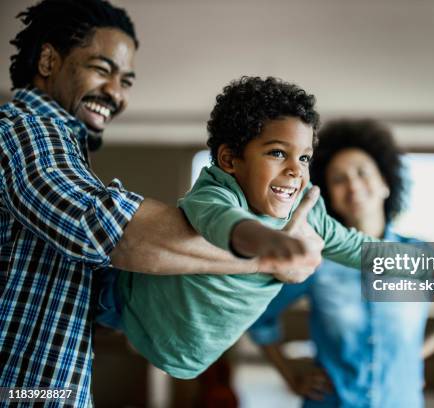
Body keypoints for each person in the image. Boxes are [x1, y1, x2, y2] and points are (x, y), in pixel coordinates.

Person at [0, 2, 321, 406]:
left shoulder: (60, 148)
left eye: (126, 81)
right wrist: (270, 255)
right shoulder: (25, 129)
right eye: (102, 69)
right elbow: (101, 228)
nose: (116, 93)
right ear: (48, 60)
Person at [102, 76, 379, 380]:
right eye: (277, 152)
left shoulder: (306, 210)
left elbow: (356, 247)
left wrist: (430, 265)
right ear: (230, 160)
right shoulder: (217, 191)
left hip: (182, 354)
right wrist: (266, 241)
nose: (295, 169)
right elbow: (225, 222)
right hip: (124, 304)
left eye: (304, 158)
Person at [249, 119, 434, 408]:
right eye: (338, 179)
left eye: (362, 173)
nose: (352, 185)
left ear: (386, 183)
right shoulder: (315, 257)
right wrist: (291, 375)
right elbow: (260, 315)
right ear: (330, 197)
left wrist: (414, 355)